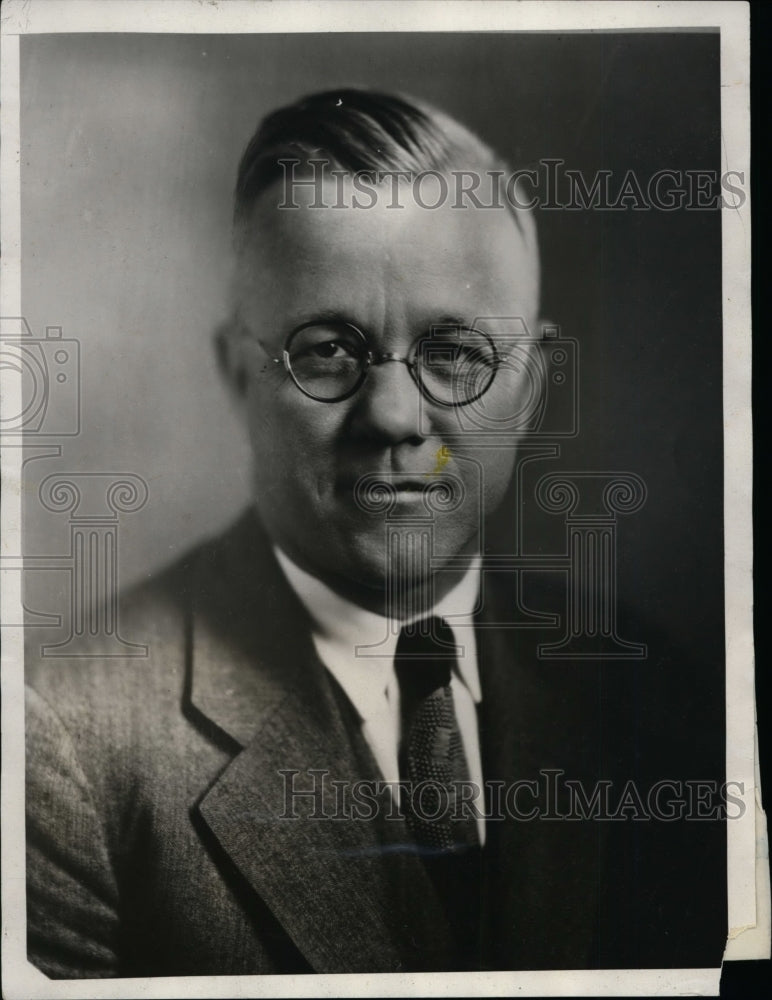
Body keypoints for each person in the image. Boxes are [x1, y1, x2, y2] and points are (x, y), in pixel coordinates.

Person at [23, 89, 722, 979]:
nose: (394, 416)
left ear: (535, 386)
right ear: (239, 376)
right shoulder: (64, 740)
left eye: (456, 352)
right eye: (327, 350)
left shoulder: (656, 699)